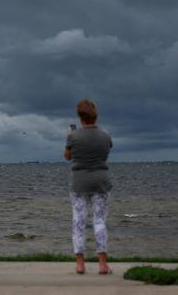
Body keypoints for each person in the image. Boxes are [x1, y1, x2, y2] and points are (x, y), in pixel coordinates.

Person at [64, 99, 113, 275]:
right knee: (99, 221)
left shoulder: (73, 136)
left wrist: (70, 137)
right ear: (95, 115)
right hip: (100, 181)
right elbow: (105, 153)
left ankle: (80, 263)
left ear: (80, 116)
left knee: (79, 221)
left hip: (79, 183)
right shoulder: (105, 135)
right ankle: (102, 264)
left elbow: (68, 156)